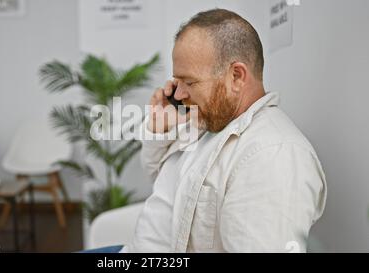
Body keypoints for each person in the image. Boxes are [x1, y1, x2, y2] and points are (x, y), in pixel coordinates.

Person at [120, 8, 327, 253]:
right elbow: (160, 178)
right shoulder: (210, 121)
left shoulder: (272, 158)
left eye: (189, 82)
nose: (179, 94)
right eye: (177, 82)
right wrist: (159, 129)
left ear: (237, 76)